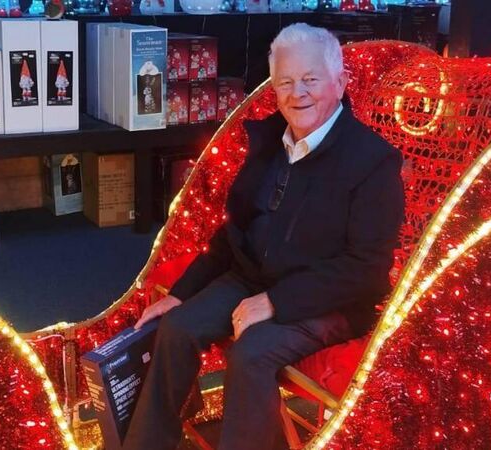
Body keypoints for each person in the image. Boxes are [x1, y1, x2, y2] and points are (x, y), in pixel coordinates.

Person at [123, 23, 405, 450]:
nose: (298, 93)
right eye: (286, 82)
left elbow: (366, 271)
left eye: (311, 79)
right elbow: (233, 233)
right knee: (176, 328)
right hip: (253, 276)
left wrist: (277, 302)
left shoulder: (373, 162)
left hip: (329, 299)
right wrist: (181, 293)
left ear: (340, 82)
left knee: (251, 354)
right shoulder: (271, 140)